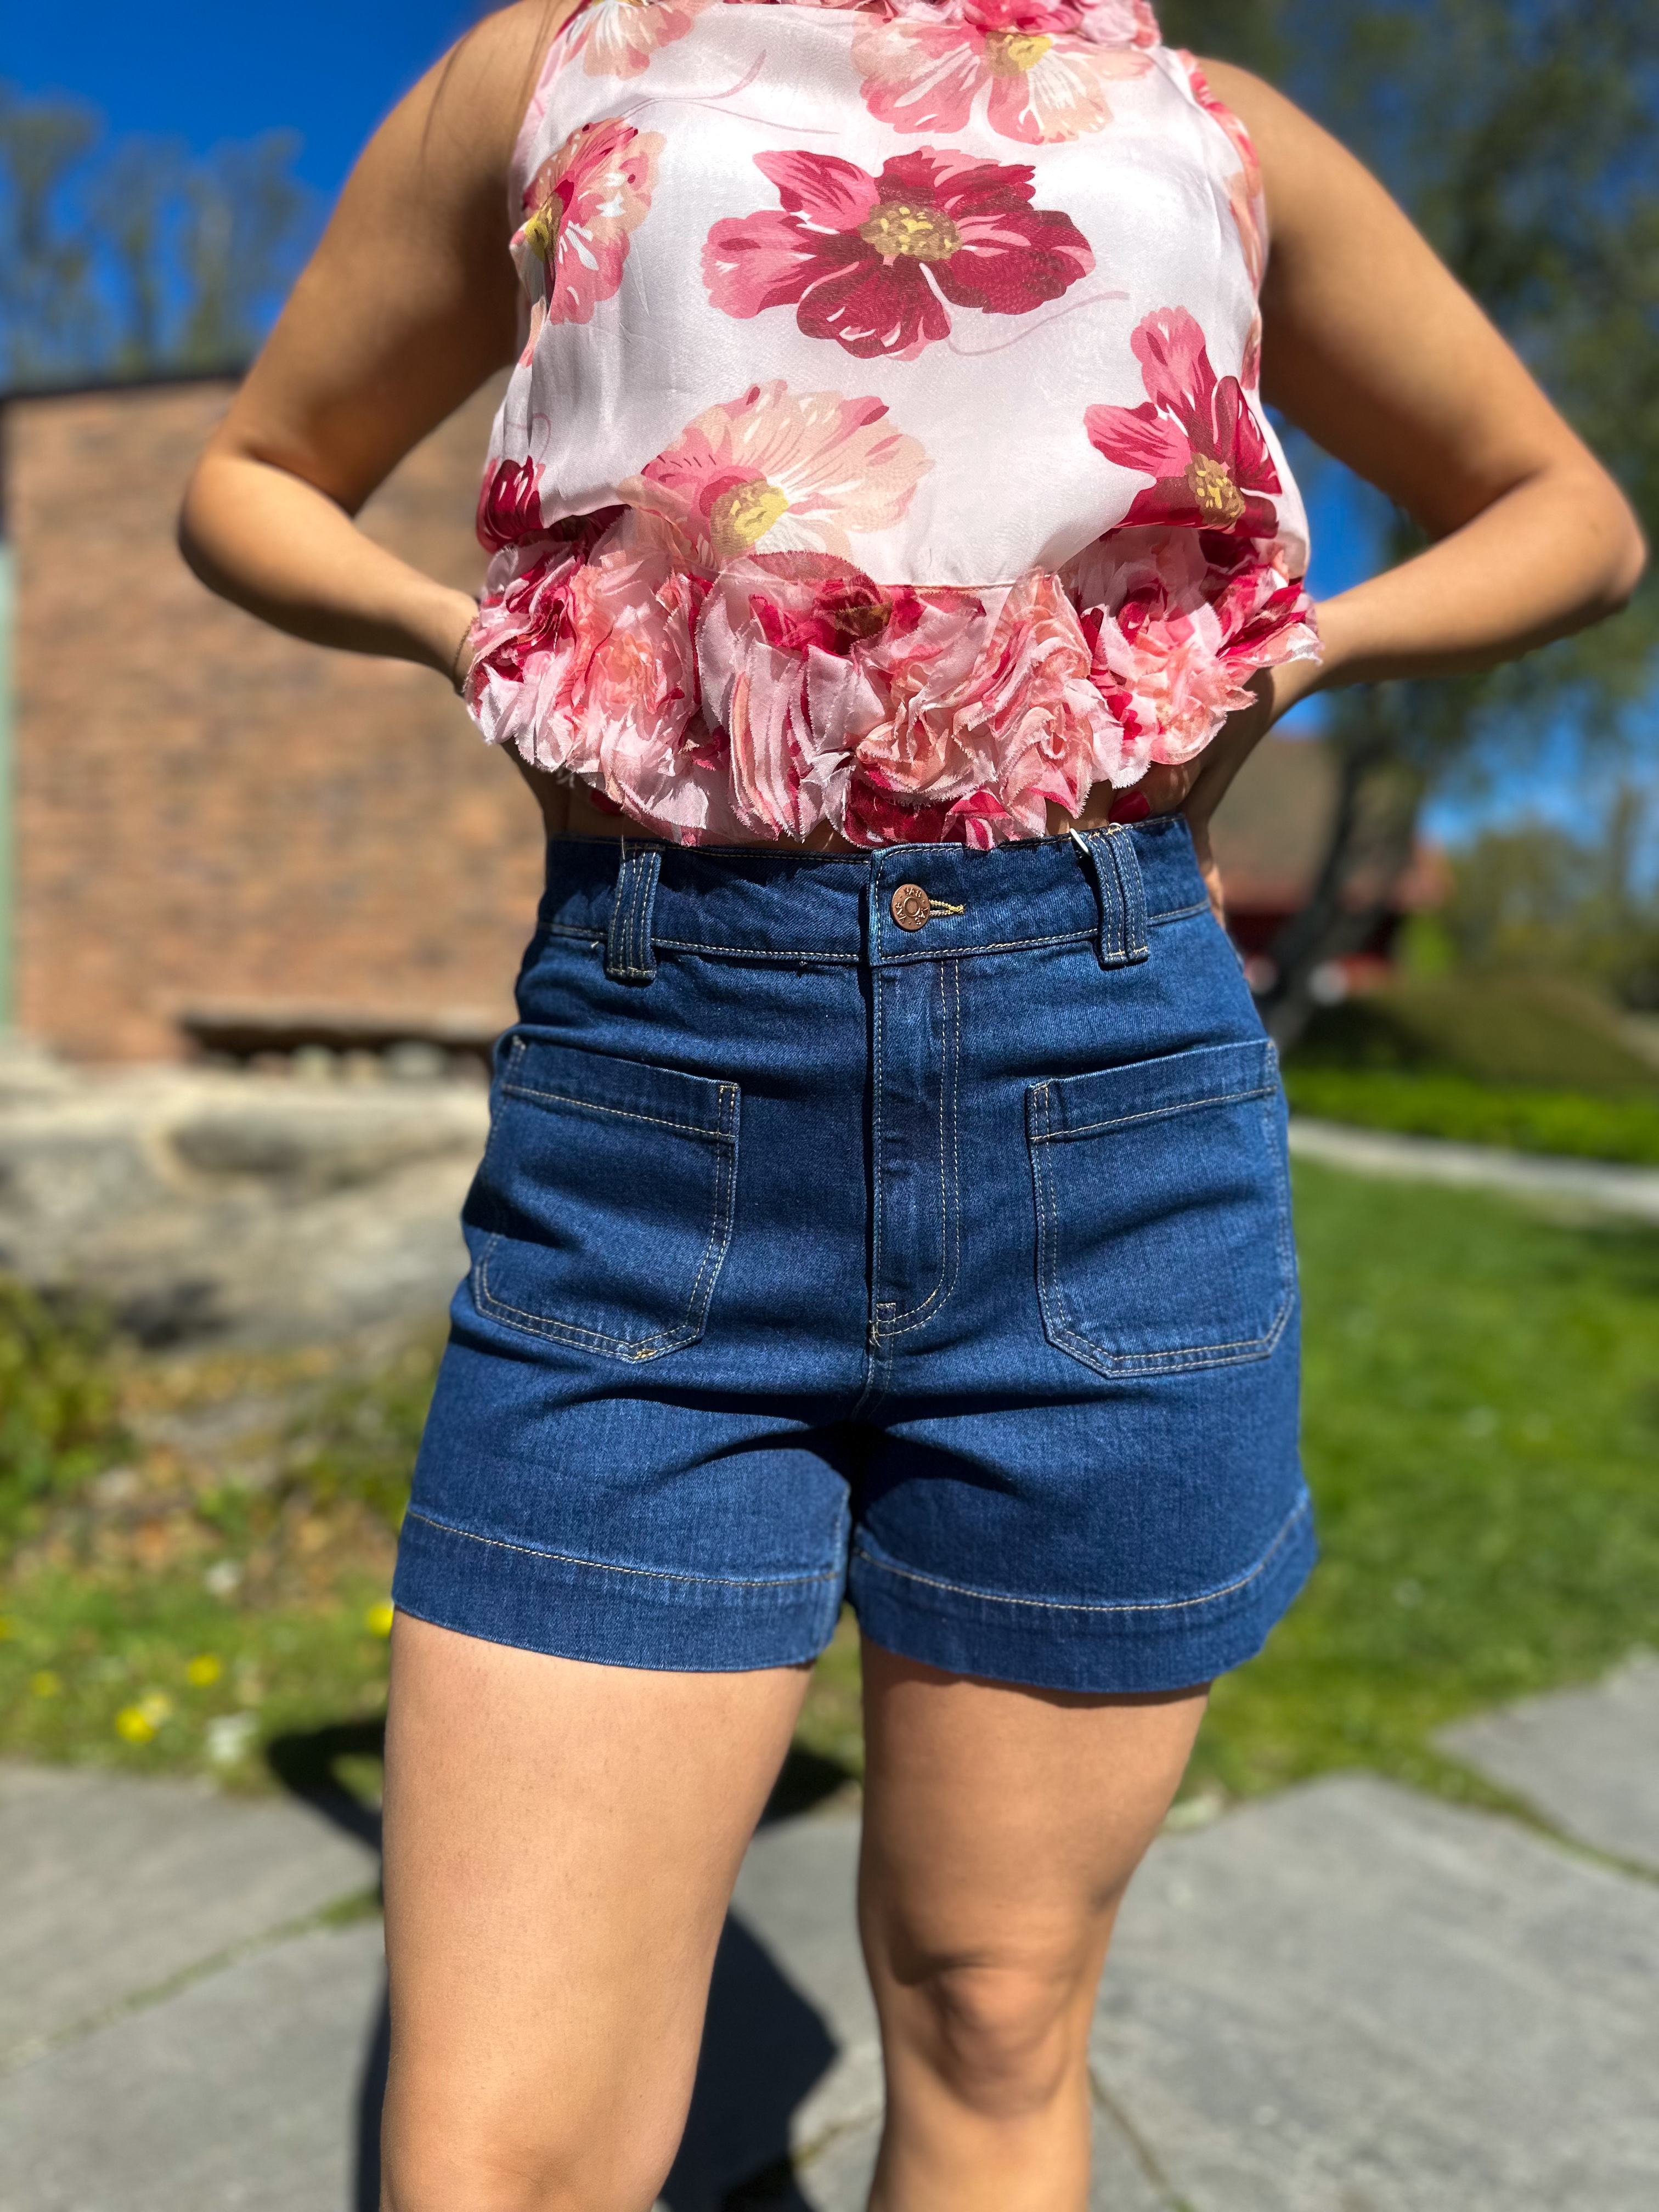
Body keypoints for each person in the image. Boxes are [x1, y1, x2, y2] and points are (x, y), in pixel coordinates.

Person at [179, 1, 1644, 2205]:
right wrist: (461, 642)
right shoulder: (555, 65)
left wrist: (1291, 654)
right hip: (662, 1093)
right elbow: (251, 473)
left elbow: (1574, 518)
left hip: (1110, 1093)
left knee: (993, 2011)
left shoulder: (1206, 122)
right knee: (503, 2155)